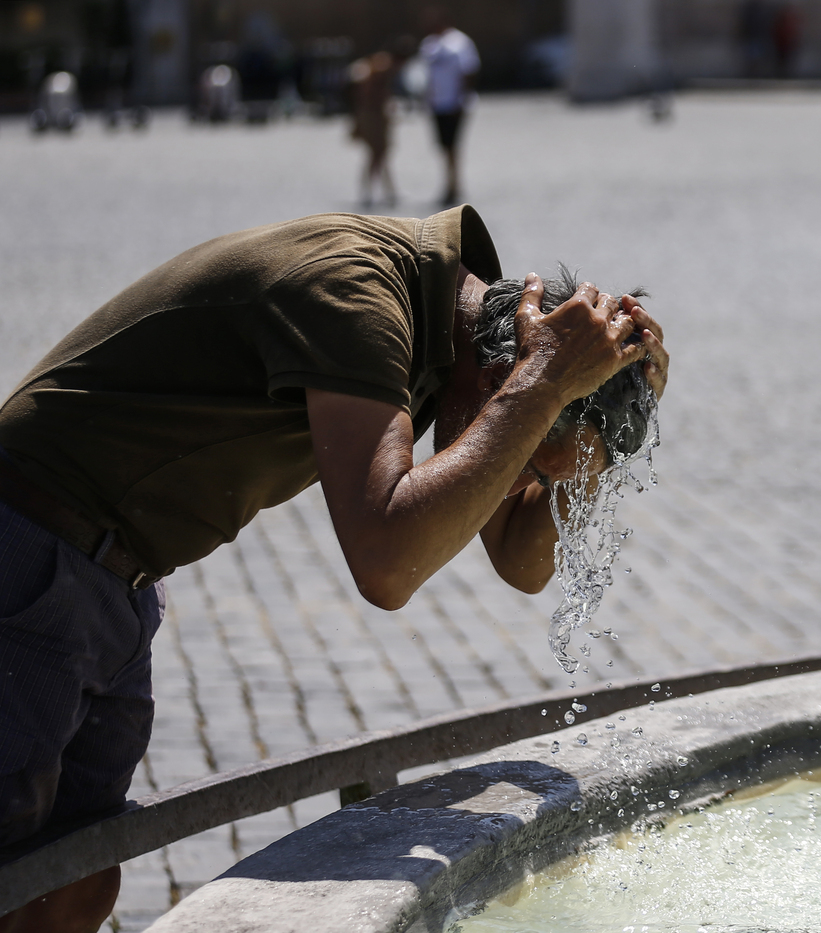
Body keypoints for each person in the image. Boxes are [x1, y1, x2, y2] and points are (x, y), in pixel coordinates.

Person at [0, 206, 669, 933]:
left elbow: (521, 559)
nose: (515, 491)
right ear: (498, 376)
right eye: (530, 466)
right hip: (30, 551)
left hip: (108, 579)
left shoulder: (452, 338)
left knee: (74, 881)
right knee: (19, 875)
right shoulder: (359, 295)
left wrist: (606, 432)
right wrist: (542, 384)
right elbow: (386, 563)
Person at [420, 6, 480, 206]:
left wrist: (461, 99)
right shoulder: (428, 44)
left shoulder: (460, 42)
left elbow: (469, 71)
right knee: (443, 146)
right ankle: (449, 182)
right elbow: (425, 75)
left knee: (454, 145)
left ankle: (454, 185)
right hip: (436, 104)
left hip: (454, 103)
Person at [348, 50, 403, 208]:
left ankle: (386, 189)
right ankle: (371, 188)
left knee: (381, 155)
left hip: (377, 118)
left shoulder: (377, 75)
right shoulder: (372, 74)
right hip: (372, 118)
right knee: (377, 154)